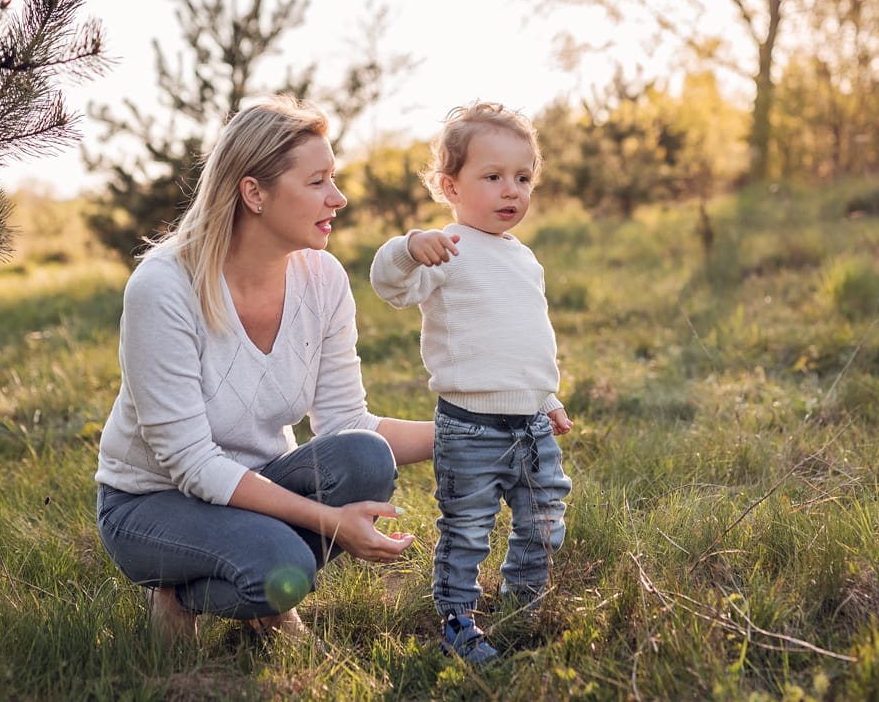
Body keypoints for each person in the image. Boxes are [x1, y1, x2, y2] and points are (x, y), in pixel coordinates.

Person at [94, 94, 434, 644]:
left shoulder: (322, 279)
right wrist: (330, 523)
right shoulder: (163, 287)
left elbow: (348, 421)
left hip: (259, 484)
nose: (338, 198)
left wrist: (467, 436)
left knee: (365, 460)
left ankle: (255, 569)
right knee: (285, 567)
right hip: (151, 504)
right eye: (318, 181)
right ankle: (183, 590)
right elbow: (192, 465)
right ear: (254, 192)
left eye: (334, 179)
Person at [369, 101, 573, 665]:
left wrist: (544, 395)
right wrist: (408, 247)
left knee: (544, 514)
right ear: (449, 186)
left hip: (530, 423)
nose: (512, 190)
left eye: (523, 177)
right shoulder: (445, 249)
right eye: (492, 176)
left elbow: (522, 338)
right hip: (470, 427)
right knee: (467, 528)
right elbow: (389, 286)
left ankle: (525, 602)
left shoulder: (524, 258)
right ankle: (458, 621)